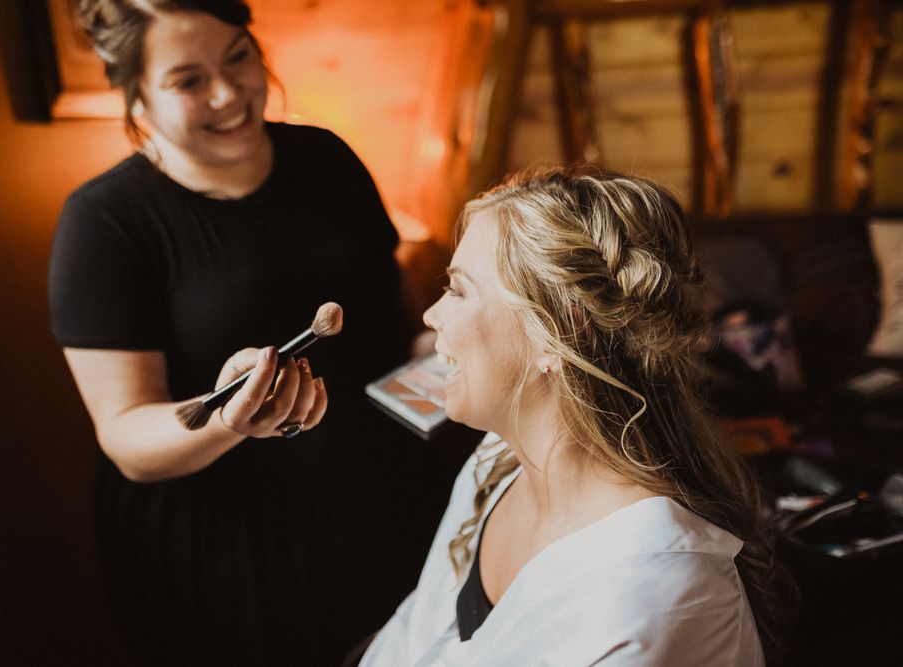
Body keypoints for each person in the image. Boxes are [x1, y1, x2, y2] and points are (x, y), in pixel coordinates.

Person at [47, 1, 474, 664]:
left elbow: (396, 336)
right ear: (136, 93)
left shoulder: (328, 159)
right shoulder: (105, 223)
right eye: (188, 80)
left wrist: (470, 347)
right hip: (228, 555)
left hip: (382, 504)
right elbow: (127, 436)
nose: (228, 92)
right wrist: (228, 420)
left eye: (238, 56)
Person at [361, 168, 793, 666]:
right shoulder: (497, 461)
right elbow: (413, 636)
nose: (431, 315)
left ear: (558, 333)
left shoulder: (650, 590)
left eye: (458, 290)